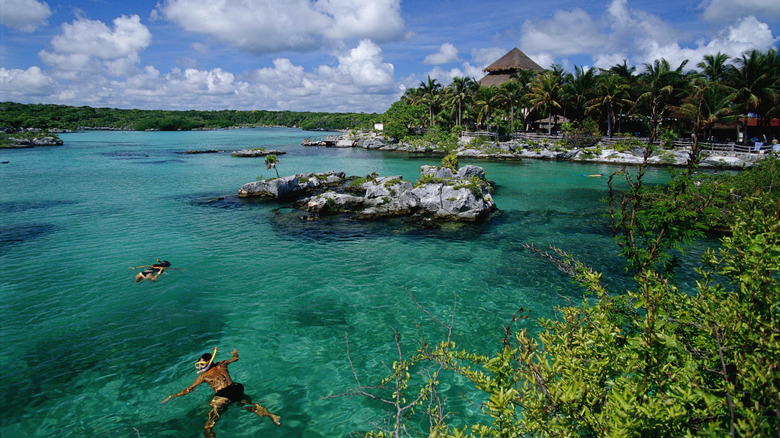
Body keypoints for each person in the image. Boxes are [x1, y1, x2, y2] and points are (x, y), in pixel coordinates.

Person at [161, 348, 281, 437]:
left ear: (209, 362)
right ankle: (272, 416)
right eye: (198, 365)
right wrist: (235, 353)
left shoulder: (203, 376)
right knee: (249, 405)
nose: (199, 368)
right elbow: (236, 359)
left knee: (211, 417)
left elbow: (189, 389)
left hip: (223, 395)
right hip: (236, 389)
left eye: (201, 364)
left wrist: (173, 396)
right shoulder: (222, 363)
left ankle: (209, 433)